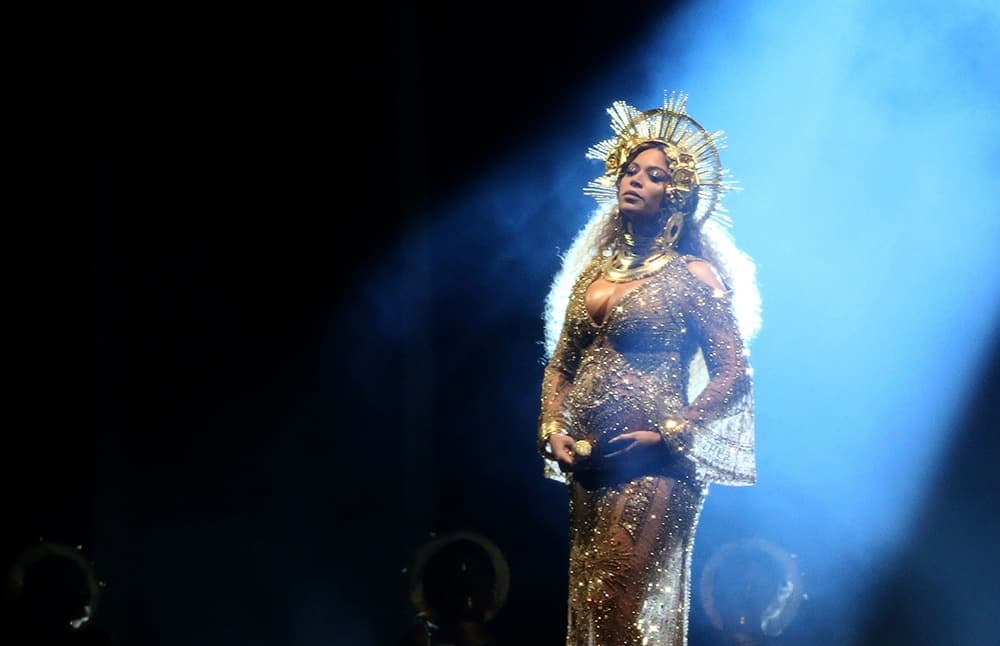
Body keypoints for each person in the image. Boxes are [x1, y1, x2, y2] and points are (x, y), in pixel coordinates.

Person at [537, 90, 762, 645]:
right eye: (630, 170)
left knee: (622, 604)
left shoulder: (693, 275)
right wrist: (551, 429)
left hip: (656, 463)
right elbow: (562, 365)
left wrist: (670, 434)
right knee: (591, 608)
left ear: (677, 195)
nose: (634, 180)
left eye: (653, 175)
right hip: (591, 464)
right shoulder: (594, 274)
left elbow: (734, 371)